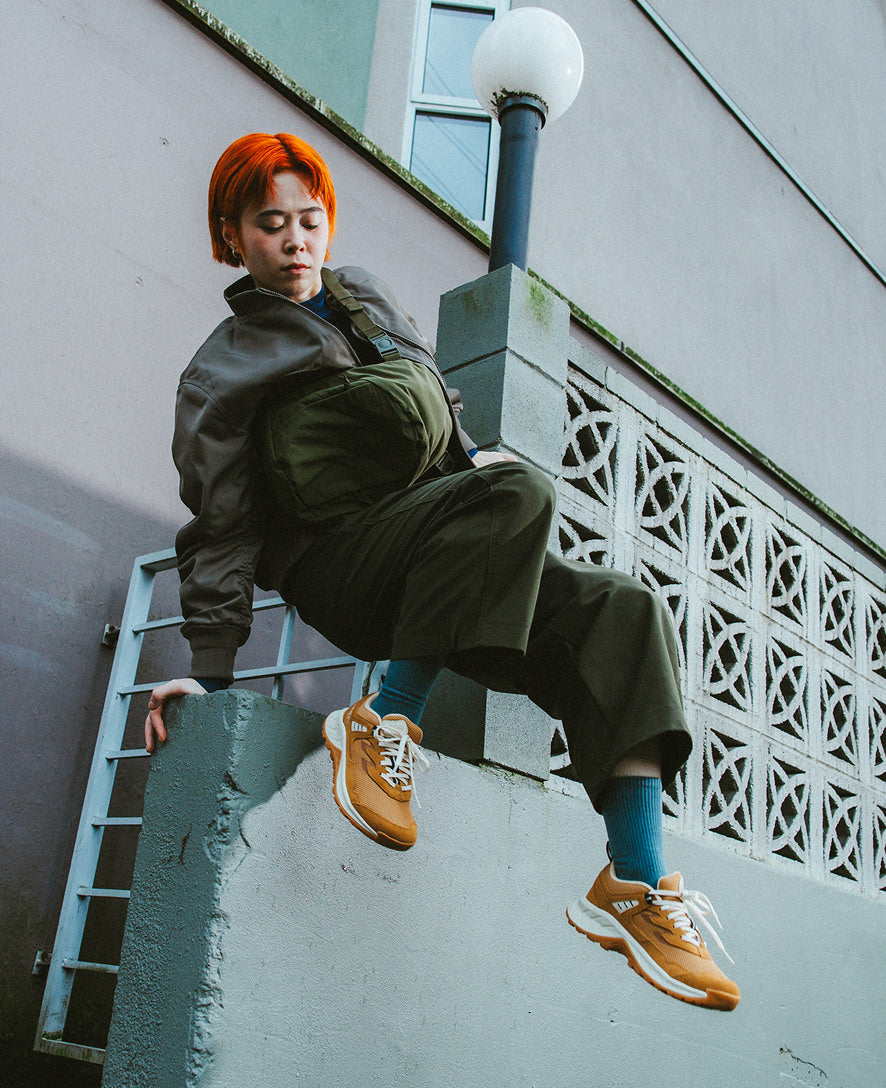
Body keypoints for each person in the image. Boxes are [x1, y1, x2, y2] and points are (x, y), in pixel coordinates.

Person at [145, 132, 739, 1011]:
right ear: (232, 235)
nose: (296, 241)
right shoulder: (222, 367)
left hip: (444, 552)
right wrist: (210, 672)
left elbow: (433, 400)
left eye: (310, 220)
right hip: (344, 564)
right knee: (516, 491)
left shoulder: (365, 294)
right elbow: (220, 523)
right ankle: (385, 723)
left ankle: (637, 888)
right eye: (271, 225)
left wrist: (469, 459)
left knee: (626, 610)